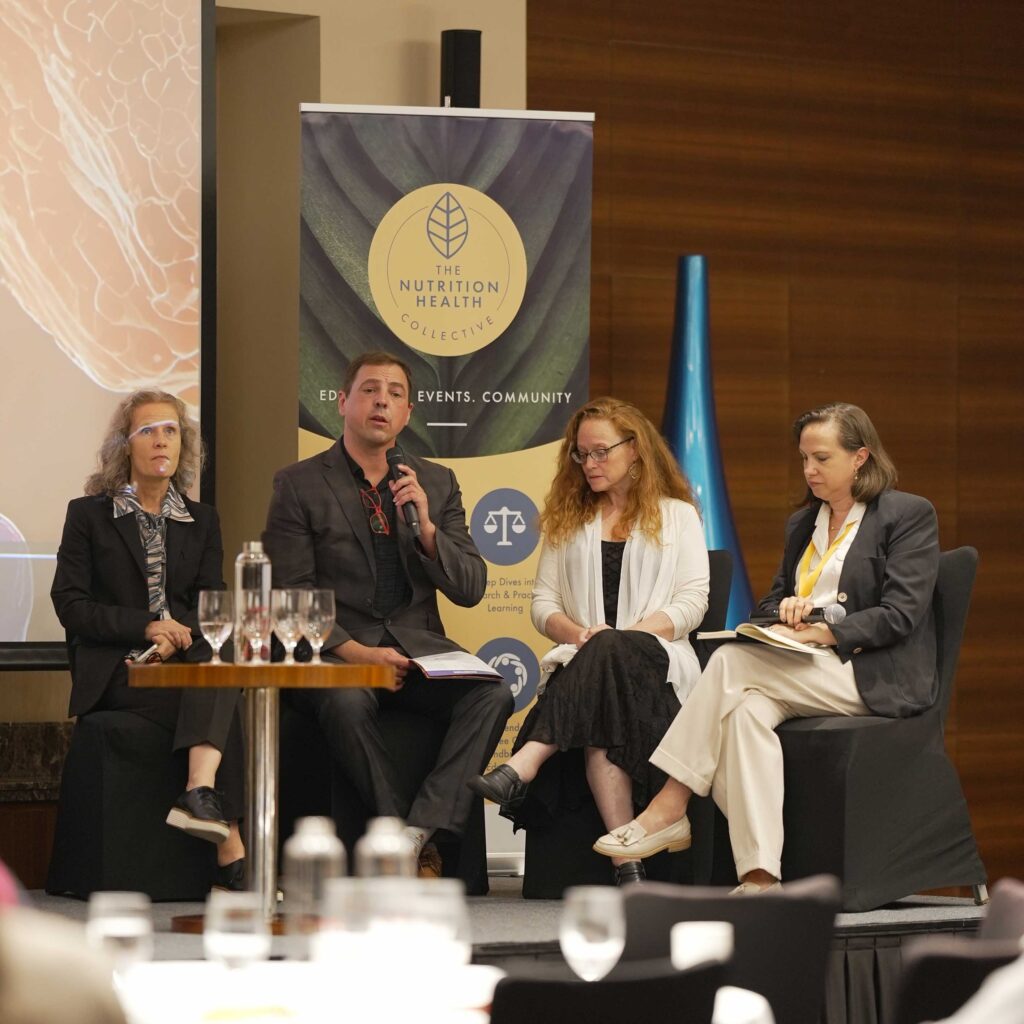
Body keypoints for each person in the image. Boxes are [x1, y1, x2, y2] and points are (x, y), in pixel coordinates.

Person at [593, 402, 940, 893]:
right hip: (802, 668)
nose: (809, 470)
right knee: (744, 714)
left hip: (869, 673)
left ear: (860, 457)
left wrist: (822, 631)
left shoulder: (906, 514)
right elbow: (769, 603)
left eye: (821, 458)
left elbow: (901, 614)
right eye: (804, 459)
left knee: (730, 661)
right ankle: (760, 879)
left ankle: (670, 804)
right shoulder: (804, 524)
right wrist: (789, 611)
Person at [263, 350, 514, 875]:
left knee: (492, 693)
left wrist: (428, 529)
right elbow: (291, 594)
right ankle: (395, 833)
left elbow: (470, 587)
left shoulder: (435, 482)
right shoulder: (299, 483)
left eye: (395, 394)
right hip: (339, 653)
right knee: (346, 702)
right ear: (343, 402)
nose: (382, 401)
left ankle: (420, 830)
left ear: (407, 413)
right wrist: (358, 653)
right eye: (370, 390)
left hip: (418, 650)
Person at [468, 397, 710, 885]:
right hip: (586, 665)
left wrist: (620, 641)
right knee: (601, 699)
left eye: (601, 452)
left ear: (635, 449)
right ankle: (627, 863)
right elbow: (543, 605)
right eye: (581, 454)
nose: (589, 463)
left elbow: (692, 603)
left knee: (607, 653)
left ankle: (525, 762)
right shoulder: (569, 519)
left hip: (659, 665)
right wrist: (580, 635)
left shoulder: (678, 515)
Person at [51, 390, 245, 889]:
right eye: (148, 430)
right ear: (125, 445)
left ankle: (200, 791)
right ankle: (230, 843)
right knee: (228, 699)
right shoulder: (88, 515)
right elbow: (70, 604)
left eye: (171, 431)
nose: (161, 440)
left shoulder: (203, 520)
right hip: (120, 669)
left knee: (224, 658)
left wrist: (179, 638)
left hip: (181, 663)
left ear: (183, 444)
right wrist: (147, 627)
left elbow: (212, 604)